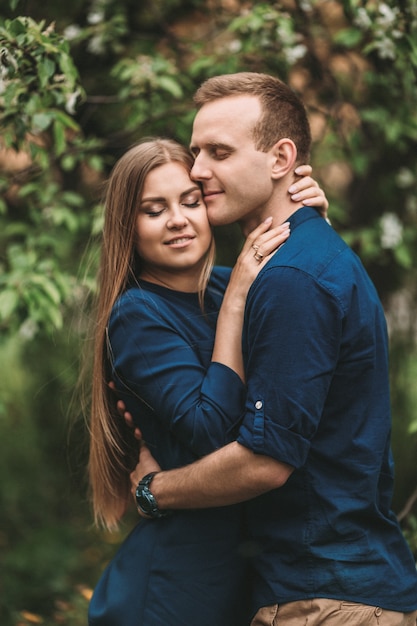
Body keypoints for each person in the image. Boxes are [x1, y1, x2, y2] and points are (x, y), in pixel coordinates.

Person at [129, 73, 417, 625]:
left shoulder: (292, 281)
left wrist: (153, 491)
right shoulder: (294, 262)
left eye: (219, 152)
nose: (196, 171)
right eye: (195, 153)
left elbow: (264, 464)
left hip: (324, 601)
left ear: (281, 158)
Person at [87, 137, 328, 626]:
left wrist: (314, 226)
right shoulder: (137, 314)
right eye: (154, 210)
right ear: (127, 229)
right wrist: (237, 299)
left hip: (249, 574)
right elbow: (212, 433)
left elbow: (309, 345)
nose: (178, 220)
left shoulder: (227, 282)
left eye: (189, 202)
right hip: (176, 587)